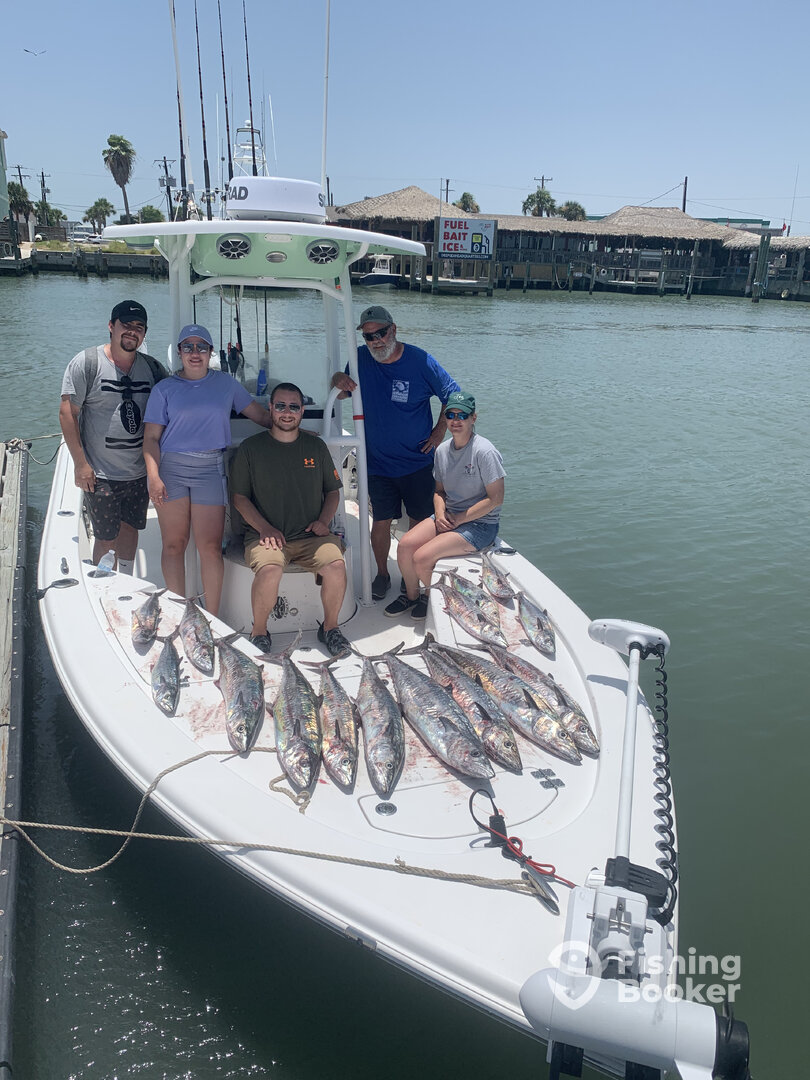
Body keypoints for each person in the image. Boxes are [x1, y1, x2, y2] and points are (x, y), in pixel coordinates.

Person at [330, 304, 459, 600]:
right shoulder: (359, 359)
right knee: (380, 521)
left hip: (417, 461)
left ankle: (409, 574)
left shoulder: (420, 361)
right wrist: (336, 378)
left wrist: (440, 430)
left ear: (394, 329)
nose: (376, 340)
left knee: (418, 521)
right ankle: (382, 574)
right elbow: (343, 392)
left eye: (381, 333)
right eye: (369, 336)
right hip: (377, 462)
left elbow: (453, 394)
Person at [142, 324, 272, 616]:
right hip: (171, 470)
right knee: (174, 545)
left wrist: (295, 430)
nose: (195, 352)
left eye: (201, 347)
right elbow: (150, 439)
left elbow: (262, 417)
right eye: (188, 347)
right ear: (179, 352)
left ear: (211, 352)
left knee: (210, 548)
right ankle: (179, 613)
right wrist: (154, 476)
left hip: (209, 470)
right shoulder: (164, 390)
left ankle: (211, 617)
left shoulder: (226, 384)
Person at [230, 381, 351, 657]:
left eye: (294, 407)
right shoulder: (250, 449)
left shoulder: (316, 447)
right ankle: (259, 632)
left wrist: (324, 521)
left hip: (311, 536)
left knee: (336, 566)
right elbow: (240, 499)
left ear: (302, 411)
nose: (287, 412)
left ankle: (330, 628)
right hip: (265, 536)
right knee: (270, 570)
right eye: (281, 406)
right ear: (271, 408)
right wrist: (265, 528)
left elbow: (333, 492)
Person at [59, 299, 168, 573]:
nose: (132, 331)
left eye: (139, 327)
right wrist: (81, 464)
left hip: (138, 472)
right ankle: (103, 584)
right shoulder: (87, 363)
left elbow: (172, 407)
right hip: (100, 473)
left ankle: (127, 578)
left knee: (130, 528)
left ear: (144, 334)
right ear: (111, 326)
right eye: (126, 325)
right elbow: (67, 413)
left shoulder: (154, 369)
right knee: (106, 537)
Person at [385, 390, 505, 619]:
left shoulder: (485, 451)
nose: (455, 420)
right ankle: (412, 596)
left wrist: (459, 519)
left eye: (462, 415)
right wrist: (440, 514)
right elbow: (439, 491)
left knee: (422, 557)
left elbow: (496, 499)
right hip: (448, 515)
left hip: (481, 525)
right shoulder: (441, 450)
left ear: (473, 418)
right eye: (451, 415)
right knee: (405, 546)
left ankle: (431, 598)